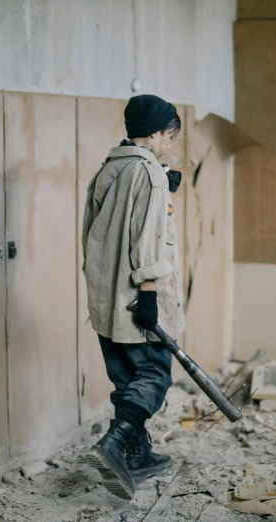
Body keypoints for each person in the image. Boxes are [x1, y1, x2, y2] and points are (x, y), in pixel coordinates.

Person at [81, 94, 185, 500]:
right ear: (157, 132)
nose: (170, 145)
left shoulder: (107, 169)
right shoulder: (150, 174)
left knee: (126, 379)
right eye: (170, 136)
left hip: (105, 300)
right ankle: (114, 442)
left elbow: (91, 233)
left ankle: (138, 455)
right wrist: (147, 295)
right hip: (138, 299)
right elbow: (150, 242)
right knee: (155, 374)